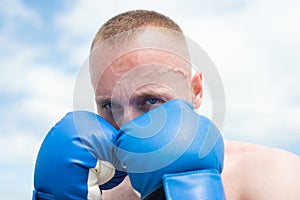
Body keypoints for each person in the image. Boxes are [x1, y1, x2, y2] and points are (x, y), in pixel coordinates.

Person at [87, 10, 300, 199]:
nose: (127, 124)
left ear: (195, 91)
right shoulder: (94, 189)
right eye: (110, 106)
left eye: (151, 101)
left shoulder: (275, 175)